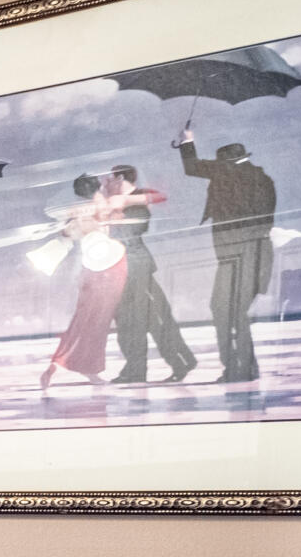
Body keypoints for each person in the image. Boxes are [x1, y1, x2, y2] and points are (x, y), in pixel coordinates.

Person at [174, 128, 279, 384]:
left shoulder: (230, 173)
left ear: (226, 164)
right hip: (251, 253)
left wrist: (187, 141)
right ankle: (242, 368)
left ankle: (238, 368)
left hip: (239, 254)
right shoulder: (261, 178)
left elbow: (192, 167)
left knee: (226, 310)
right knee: (231, 310)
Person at [103, 166, 196, 384]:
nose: (107, 180)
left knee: (147, 318)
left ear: (120, 177)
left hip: (134, 264)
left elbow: (140, 221)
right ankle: (149, 366)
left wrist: (122, 204)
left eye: (111, 176)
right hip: (123, 266)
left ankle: (169, 362)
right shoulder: (114, 199)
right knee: (131, 319)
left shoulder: (136, 198)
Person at [39, 176, 126, 393]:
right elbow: (116, 214)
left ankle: (59, 366)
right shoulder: (96, 207)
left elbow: (68, 232)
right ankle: (83, 367)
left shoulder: (83, 211)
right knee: (93, 323)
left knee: (84, 322)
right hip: (104, 271)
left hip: (95, 270)